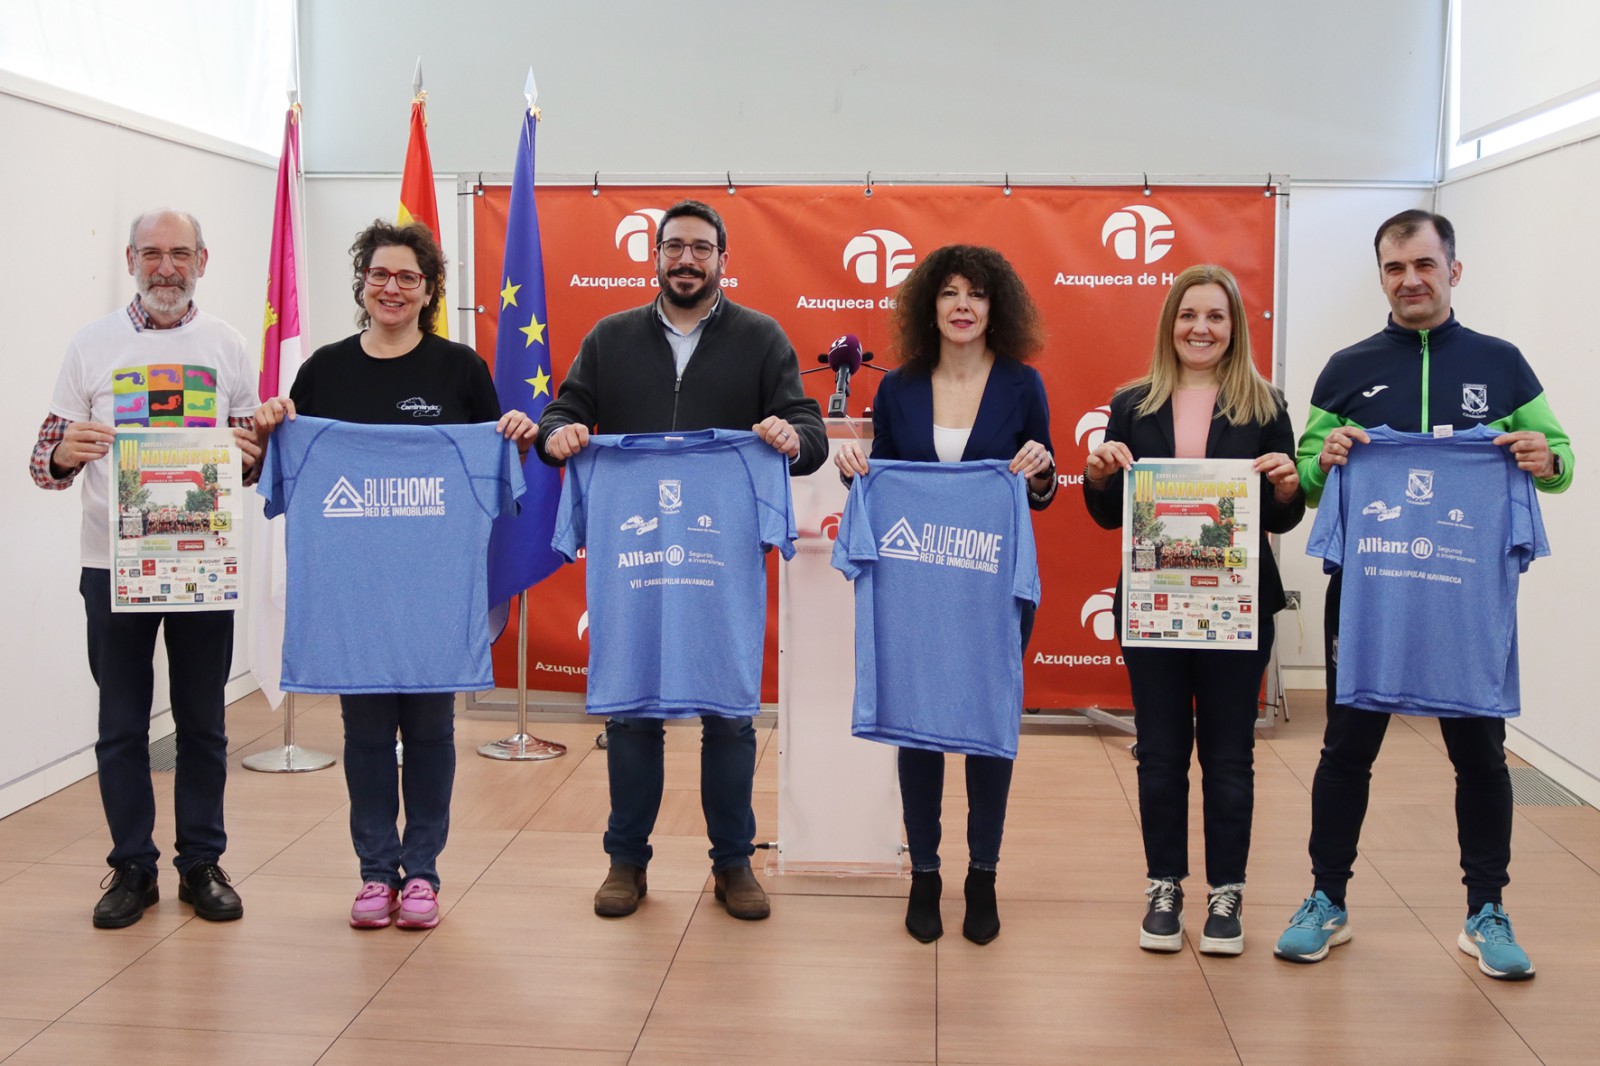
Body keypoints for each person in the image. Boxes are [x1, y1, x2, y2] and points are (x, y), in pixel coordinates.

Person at [1274, 210, 1573, 980]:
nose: (1410, 280)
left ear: (1453, 270)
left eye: (1424, 265)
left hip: (1463, 594)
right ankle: (1327, 898)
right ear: (1381, 276)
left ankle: (1486, 910)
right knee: (1346, 749)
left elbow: (1560, 458)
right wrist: (1326, 460)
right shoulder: (1346, 369)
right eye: (1394, 267)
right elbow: (1306, 480)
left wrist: (1545, 458)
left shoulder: (1503, 365)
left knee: (1480, 754)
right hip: (1368, 591)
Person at [537, 199, 825, 921]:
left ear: (723, 259)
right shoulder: (609, 337)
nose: (686, 260)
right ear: (655, 256)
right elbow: (563, 413)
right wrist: (560, 435)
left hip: (719, 557)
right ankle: (625, 862)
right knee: (633, 711)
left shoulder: (761, 337)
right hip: (635, 559)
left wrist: (791, 438)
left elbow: (808, 428)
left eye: (701, 248)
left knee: (729, 714)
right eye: (674, 247)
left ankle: (733, 864)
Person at [251, 220, 535, 930]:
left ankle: (424, 874)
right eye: (380, 274)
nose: (392, 288)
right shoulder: (323, 371)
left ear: (429, 290)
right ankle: (376, 873)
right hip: (354, 594)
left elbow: (496, 469)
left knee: (432, 733)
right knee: (367, 735)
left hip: (435, 592)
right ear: (362, 283)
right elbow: (284, 466)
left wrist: (515, 436)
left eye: (408, 277)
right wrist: (273, 423)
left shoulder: (460, 370)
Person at [30, 210, 256, 928]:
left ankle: (201, 864)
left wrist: (251, 455)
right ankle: (133, 867)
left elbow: (252, 455)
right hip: (113, 564)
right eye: (152, 253)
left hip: (200, 562)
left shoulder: (227, 344)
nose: (166, 267)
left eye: (180, 253)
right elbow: (43, 461)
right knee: (122, 724)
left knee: (203, 723)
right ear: (130, 259)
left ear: (202, 261)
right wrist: (64, 452)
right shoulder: (91, 344)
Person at [834, 244, 1056, 944]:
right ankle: (926, 874)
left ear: (996, 307)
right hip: (919, 587)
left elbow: (1041, 491)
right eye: (950, 292)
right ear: (929, 306)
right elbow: (885, 484)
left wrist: (1040, 468)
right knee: (918, 723)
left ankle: (982, 874)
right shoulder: (898, 388)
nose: (963, 305)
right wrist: (853, 469)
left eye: (977, 294)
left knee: (989, 723)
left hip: (992, 584)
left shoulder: (1023, 384)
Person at [1082, 264, 1304, 955]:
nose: (1200, 328)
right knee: (1160, 753)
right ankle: (1164, 888)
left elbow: (1282, 516)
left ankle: (1227, 894)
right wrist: (1097, 476)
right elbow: (1108, 516)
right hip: (1155, 606)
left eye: (1215, 316)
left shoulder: (1265, 405)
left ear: (1234, 327)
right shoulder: (1131, 403)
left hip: (1236, 607)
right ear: (1169, 324)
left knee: (1230, 755)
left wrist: (1289, 487)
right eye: (1188, 315)